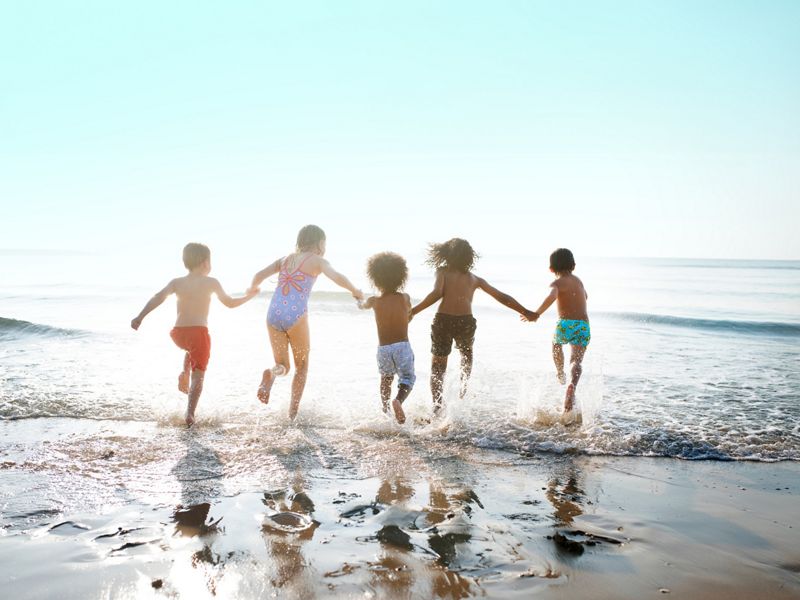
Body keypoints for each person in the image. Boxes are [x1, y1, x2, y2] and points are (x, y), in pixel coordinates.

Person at [130, 243, 257, 426]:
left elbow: (159, 296)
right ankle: (190, 413)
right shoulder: (211, 282)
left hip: (178, 333)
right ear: (206, 262)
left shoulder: (177, 282)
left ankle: (185, 371)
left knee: (190, 350)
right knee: (199, 375)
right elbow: (229, 303)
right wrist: (249, 296)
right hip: (198, 332)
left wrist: (140, 317)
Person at [248, 225, 363, 419]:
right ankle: (292, 414)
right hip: (295, 315)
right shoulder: (317, 260)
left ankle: (271, 373)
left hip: (273, 314)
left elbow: (258, 276)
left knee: (283, 366)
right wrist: (355, 291)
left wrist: (252, 289)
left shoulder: (285, 260)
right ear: (319, 243)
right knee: (301, 367)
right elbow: (337, 277)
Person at [411, 238, 536, 414]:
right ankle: (462, 393)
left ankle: (437, 405)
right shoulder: (475, 279)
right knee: (466, 355)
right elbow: (502, 297)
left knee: (438, 365)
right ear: (469, 257)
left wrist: (413, 311)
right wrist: (525, 311)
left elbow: (437, 293)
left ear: (447, 254)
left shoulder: (442, 272)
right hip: (465, 321)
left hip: (443, 320)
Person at [524, 248, 589, 413]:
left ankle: (560, 372)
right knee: (576, 361)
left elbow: (551, 297)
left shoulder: (557, 284)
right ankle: (572, 385)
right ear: (574, 265)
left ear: (551, 269)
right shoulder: (579, 281)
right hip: (582, 325)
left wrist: (537, 313)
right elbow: (585, 296)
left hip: (564, 323)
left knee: (556, 345)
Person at [358, 252, 414, 424]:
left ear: (374, 279)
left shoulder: (374, 301)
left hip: (383, 349)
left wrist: (358, 298)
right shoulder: (404, 298)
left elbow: (361, 306)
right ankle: (398, 400)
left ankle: (385, 410)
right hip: (402, 346)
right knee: (407, 378)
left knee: (386, 378)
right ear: (401, 277)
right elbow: (408, 315)